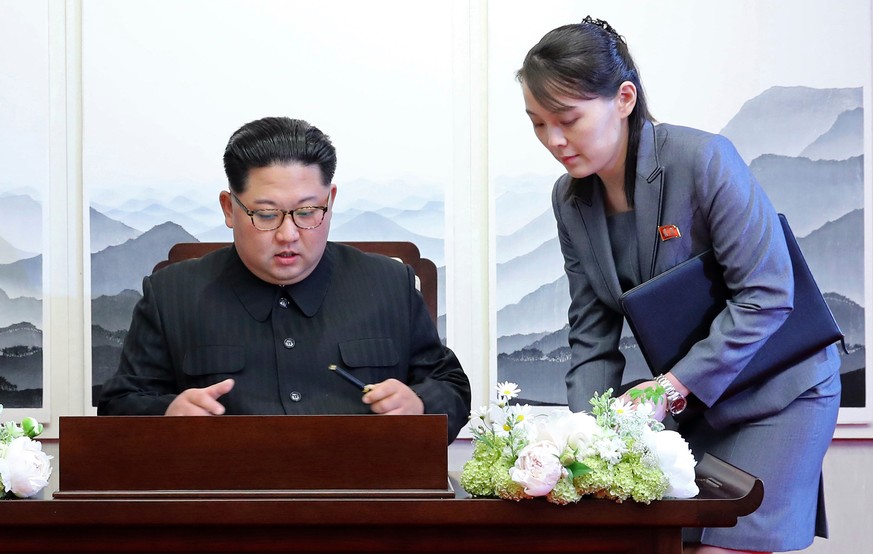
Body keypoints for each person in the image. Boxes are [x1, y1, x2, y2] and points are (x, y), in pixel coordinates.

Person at [517, 17, 841, 554]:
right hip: (698, 404)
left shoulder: (705, 159)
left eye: (568, 119)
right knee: (661, 543)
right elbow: (591, 333)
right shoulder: (568, 200)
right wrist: (583, 439)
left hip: (780, 393)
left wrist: (673, 387)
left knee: (722, 549)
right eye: (537, 124)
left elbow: (767, 294)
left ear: (624, 99)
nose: (553, 141)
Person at [97, 116, 471, 443]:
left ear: (331, 201)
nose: (288, 234)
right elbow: (118, 405)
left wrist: (420, 404)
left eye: (308, 212)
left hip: (363, 506)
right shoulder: (172, 294)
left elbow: (450, 385)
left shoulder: (388, 284)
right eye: (266, 214)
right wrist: (167, 414)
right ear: (230, 208)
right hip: (223, 508)